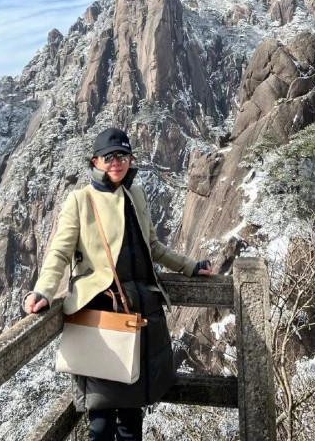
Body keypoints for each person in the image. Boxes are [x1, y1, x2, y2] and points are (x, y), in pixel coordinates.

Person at [23, 127, 215, 441]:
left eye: (122, 155)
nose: (116, 162)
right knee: (100, 419)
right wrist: (43, 290)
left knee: (131, 414)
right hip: (101, 316)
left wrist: (191, 267)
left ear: (131, 159)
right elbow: (59, 251)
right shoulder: (80, 200)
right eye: (109, 156)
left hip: (139, 315)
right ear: (95, 161)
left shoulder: (135, 193)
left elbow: (153, 247)